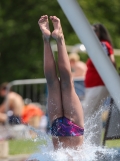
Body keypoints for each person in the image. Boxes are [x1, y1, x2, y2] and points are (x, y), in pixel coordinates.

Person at [38, 15, 84, 150]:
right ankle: (48, 40)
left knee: (66, 83)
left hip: (64, 131)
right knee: (53, 83)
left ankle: (56, 39)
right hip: (60, 129)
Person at [83, 23, 116, 145]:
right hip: (95, 85)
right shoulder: (100, 45)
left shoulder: (102, 44)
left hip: (98, 84)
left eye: (94, 31)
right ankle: (94, 144)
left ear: (99, 32)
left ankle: (91, 144)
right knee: (93, 115)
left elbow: (110, 61)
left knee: (88, 114)